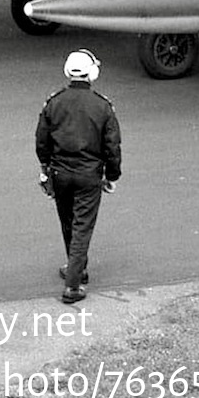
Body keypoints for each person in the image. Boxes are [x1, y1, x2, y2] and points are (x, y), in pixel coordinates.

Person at [35, 49, 122, 304]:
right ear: (92, 73)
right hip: (89, 175)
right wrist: (112, 175)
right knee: (82, 226)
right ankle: (73, 284)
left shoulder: (54, 102)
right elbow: (112, 146)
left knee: (67, 221)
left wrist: (45, 168)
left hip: (60, 172)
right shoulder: (102, 106)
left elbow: (42, 140)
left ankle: (76, 267)